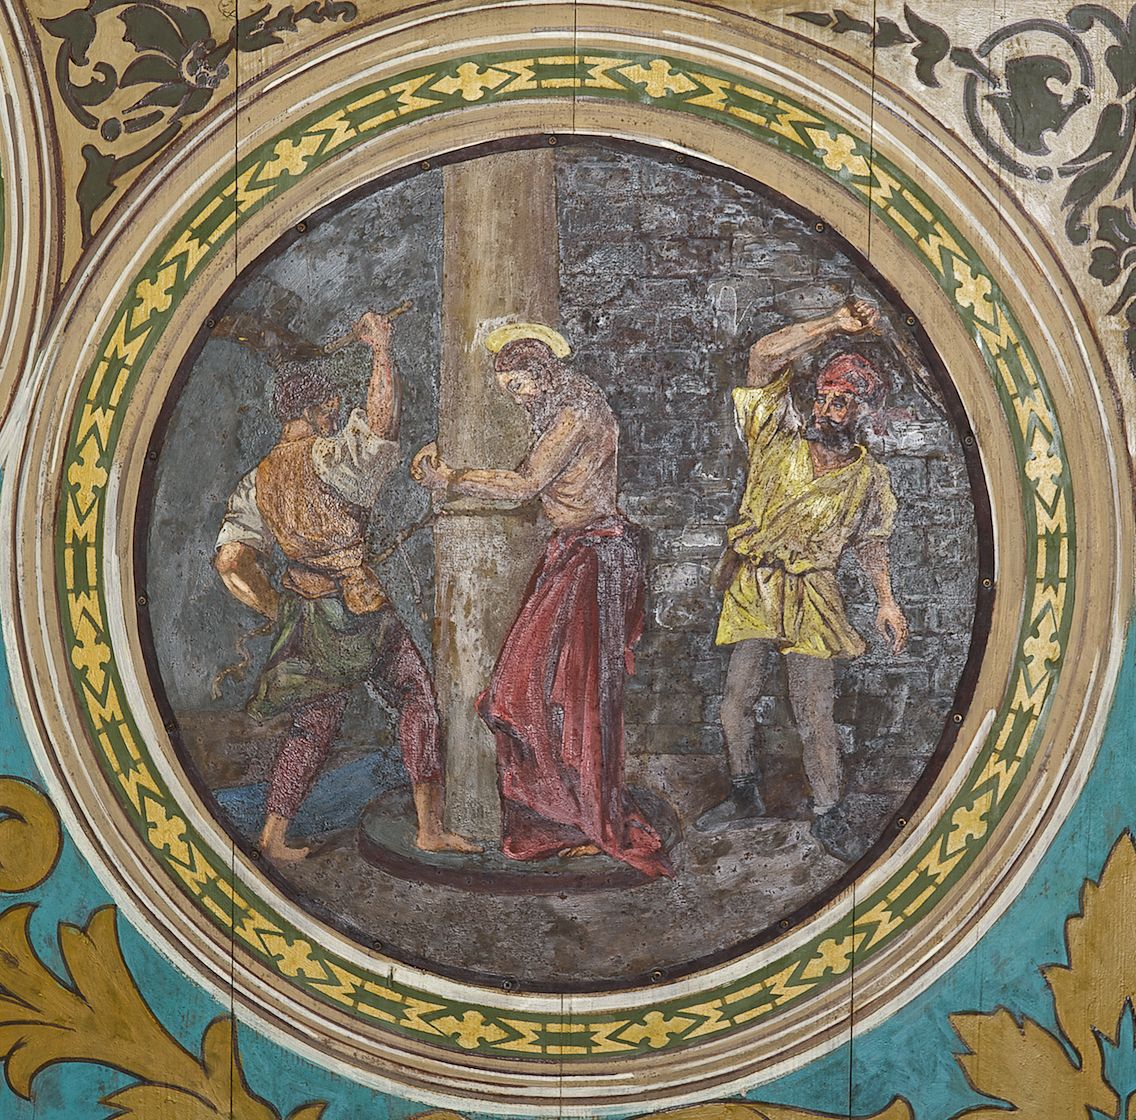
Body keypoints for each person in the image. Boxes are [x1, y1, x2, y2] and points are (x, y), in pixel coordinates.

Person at [214, 311, 480, 862]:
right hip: (356, 608)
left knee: (313, 725)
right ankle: (429, 829)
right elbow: (381, 426)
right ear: (313, 409)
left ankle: (273, 836)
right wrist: (381, 348)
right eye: (330, 404)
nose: (337, 410)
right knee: (417, 695)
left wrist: (275, 607)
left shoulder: (256, 480)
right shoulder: (330, 457)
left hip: (305, 613)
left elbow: (231, 562)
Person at [411, 323, 672, 879]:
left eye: (521, 384)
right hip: (576, 555)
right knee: (533, 695)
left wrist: (451, 478)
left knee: (571, 699)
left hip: (595, 561)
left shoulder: (576, 413)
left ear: (544, 372)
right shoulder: (562, 409)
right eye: (508, 387)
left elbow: (525, 485)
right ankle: (561, 819)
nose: (517, 396)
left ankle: (590, 820)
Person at [695, 298, 909, 851]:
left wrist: (886, 601)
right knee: (735, 702)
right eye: (822, 397)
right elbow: (763, 358)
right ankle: (744, 790)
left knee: (814, 712)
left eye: (842, 402)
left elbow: (871, 542)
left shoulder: (869, 478)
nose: (826, 409)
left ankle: (828, 810)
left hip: (813, 591)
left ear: (863, 413)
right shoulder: (774, 436)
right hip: (754, 582)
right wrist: (835, 323)